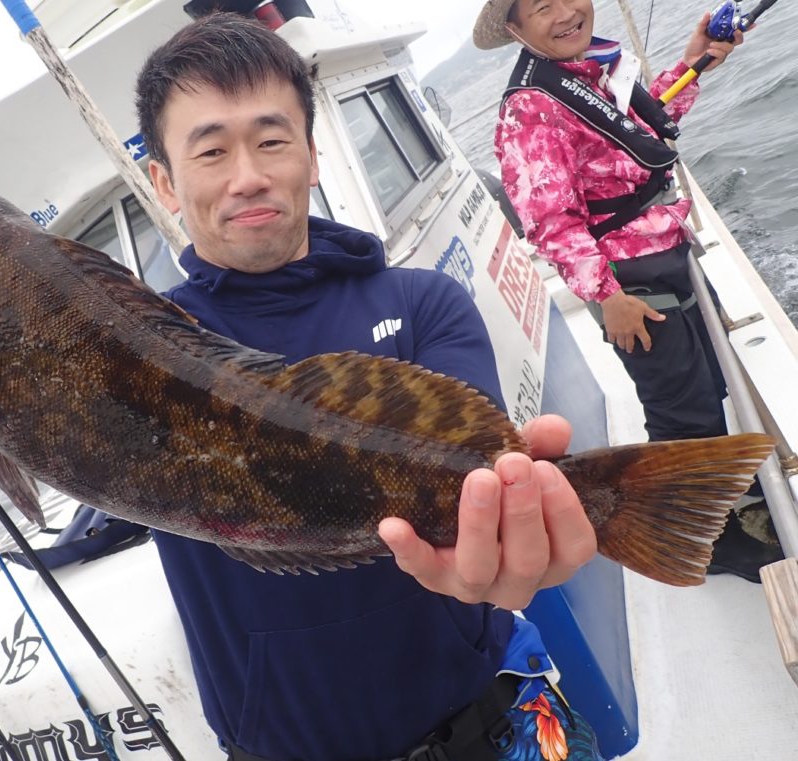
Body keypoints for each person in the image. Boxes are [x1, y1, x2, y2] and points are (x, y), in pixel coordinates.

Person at [135, 12, 602, 761]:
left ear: (313, 158)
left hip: (497, 713)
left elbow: (476, 484)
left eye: (272, 139)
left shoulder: (423, 303)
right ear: (163, 180)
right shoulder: (143, 350)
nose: (248, 174)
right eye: (211, 150)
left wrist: (512, 539)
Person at [473, 0, 783, 581]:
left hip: (666, 258)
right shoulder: (528, 110)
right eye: (542, 8)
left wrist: (695, 62)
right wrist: (606, 297)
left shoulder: (589, 72)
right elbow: (548, 220)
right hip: (631, 287)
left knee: (707, 386)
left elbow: (642, 124)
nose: (566, 13)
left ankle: (728, 496)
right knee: (678, 412)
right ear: (515, 28)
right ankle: (703, 539)